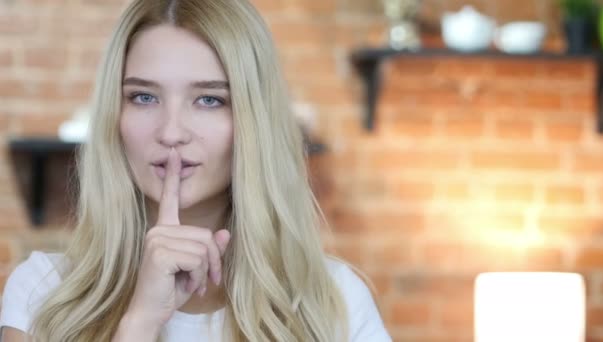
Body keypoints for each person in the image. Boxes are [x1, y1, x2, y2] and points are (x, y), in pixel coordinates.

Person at [0, 0, 392, 341]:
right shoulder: (44, 290)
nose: (171, 132)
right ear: (114, 116)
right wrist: (139, 322)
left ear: (252, 119)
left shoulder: (333, 302)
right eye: (143, 96)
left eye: (209, 99)